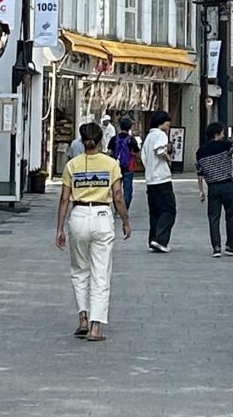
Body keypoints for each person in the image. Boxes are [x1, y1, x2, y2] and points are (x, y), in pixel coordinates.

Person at [56, 118, 131, 340]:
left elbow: (63, 199)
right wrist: (125, 221)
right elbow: (118, 196)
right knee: (101, 272)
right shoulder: (111, 164)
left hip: (78, 215)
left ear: (82, 140)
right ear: (100, 141)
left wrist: (59, 228)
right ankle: (96, 327)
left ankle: (82, 317)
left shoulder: (72, 165)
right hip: (102, 216)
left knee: (79, 270)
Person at [195, 118, 233, 255]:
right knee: (230, 216)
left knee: (213, 217)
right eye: (222, 133)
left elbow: (199, 172)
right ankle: (230, 246)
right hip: (227, 185)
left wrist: (201, 191)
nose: (224, 135)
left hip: (212, 187)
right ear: (216, 134)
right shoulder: (225, 145)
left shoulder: (200, 152)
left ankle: (216, 247)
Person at [141, 109, 177, 252]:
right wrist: (168, 159)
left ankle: (153, 240)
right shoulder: (160, 135)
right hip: (162, 178)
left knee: (155, 212)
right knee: (169, 210)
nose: (168, 126)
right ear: (161, 122)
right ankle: (160, 240)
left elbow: (144, 157)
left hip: (150, 180)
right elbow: (160, 150)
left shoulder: (148, 137)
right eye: (167, 123)